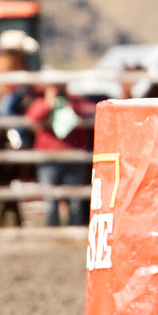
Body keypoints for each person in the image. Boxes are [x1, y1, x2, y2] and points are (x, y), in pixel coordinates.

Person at [25, 82, 96, 226]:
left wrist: (72, 104)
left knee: (75, 202)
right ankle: (53, 233)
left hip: (74, 158)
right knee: (51, 202)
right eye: (54, 89)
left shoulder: (76, 103)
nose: (58, 93)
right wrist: (48, 104)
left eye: (60, 89)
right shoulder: (40, 103)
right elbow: (31, 119)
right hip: (49, 159)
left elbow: (92, 111)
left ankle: (73, 232)